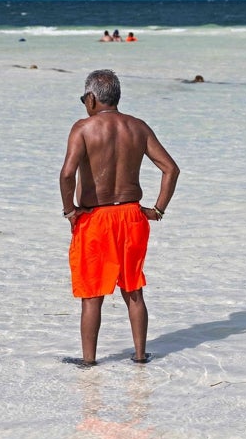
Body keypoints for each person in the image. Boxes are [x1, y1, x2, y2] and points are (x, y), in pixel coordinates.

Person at [59, 69, 180, 366]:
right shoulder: (137, 128)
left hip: (96, 218)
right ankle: (140, 356)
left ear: (91, 98)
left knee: (92, 294)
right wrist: (157, 210)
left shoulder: (84, 128)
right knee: (133, 289)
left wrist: (70, 211)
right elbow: (171, 169)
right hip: (131, 216)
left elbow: (67, 174)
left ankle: (89, 361)